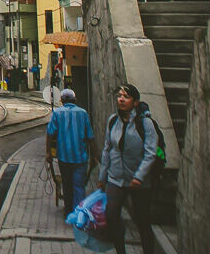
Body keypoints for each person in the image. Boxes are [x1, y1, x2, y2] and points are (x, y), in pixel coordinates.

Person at [99, 83, 160, 254]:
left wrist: (139, 176)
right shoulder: (113, 121)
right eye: (119, 95)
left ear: (135, 102)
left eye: (126, 96)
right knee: (111, 216)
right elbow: (107, 149)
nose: (121, 99)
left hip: (139, 182)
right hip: (116, 178)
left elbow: (151, 153)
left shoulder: (145, 123)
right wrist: (102, 178)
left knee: (142, 221)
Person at [45, 88, 94, 218]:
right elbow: (90, 136)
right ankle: (79, 213)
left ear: (61, 100)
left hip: (64, 156)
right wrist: (94, 156)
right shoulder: (83, 113)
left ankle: (68, 210)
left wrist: (48, 152)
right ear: (75, 100)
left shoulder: (57, 113)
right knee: (79, 185)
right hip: (80, 157)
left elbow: (50, 133)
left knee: (66, 184)